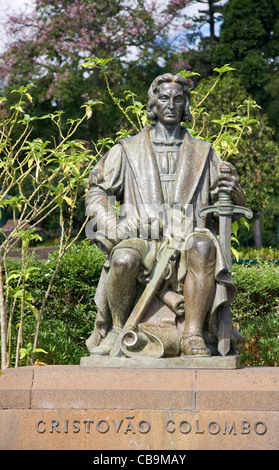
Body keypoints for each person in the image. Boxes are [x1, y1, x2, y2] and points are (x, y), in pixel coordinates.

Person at [85, 73, 245, 358]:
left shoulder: (204, 152)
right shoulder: (127, 150)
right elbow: (97, 193)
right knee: (123, 259)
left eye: (178, 98)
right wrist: (113, 226)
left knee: (204, 246)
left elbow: (226, 203)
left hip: (188, 235)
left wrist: (235, 192)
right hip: (143, 237)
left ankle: (193, 334)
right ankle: (118, 329)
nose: (171, 104)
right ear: (153, 103)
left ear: (186, 106)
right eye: (163, 98)